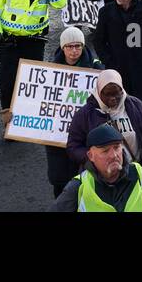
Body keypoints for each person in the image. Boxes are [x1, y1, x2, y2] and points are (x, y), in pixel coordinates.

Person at [66, 70, 142, 192]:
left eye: (116, 94)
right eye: (107, 94)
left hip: (138, 176)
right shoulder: (85, 115)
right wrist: (92, 159)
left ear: (122, 90)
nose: (113, 99)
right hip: (105, 180)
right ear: (99, 92)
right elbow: (73, 146)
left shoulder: (136, 106)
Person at [52, 122, 142, 212]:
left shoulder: (141, 176)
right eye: (105, 151)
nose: (114, 155)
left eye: (117, 147)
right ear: (90, 156)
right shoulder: (79, 186)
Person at [46, 27, 103, 197]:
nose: (74, 51)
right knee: (59, 179)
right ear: (63, 48)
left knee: (85, 177)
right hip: (57, 135)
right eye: (69, 47)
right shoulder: (50, 69)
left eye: (78, 46)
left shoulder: (96, 68)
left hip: (84, 134)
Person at [92, 0, 142, 103]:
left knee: (138, 107)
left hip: (139, 70)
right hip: (117, 70)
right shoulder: (106, 12)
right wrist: (109, 62)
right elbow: (98, 41)